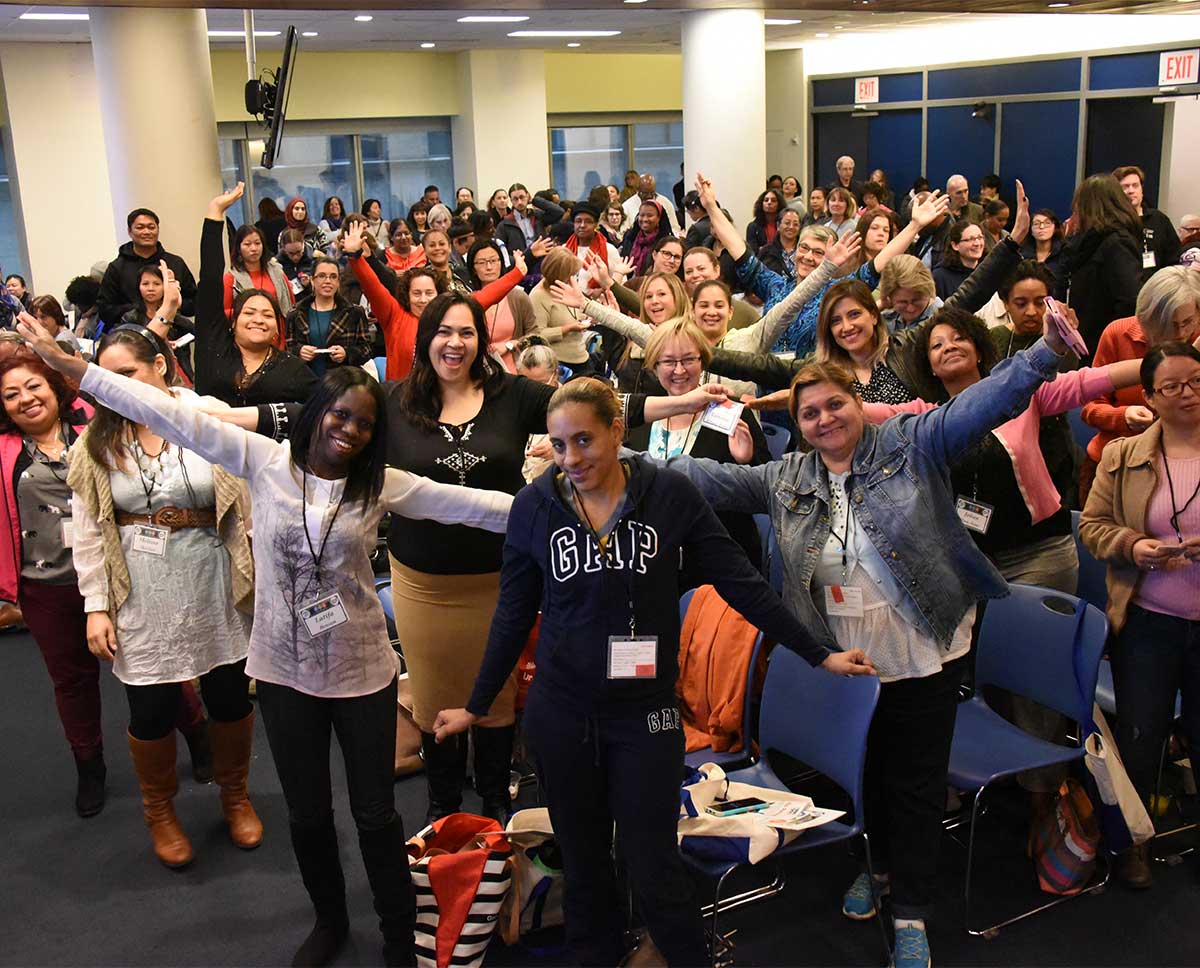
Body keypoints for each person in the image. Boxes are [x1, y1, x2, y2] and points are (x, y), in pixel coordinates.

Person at [17, 310, 515, 968]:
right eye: (339, 415)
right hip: (284, 672)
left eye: (365, 423)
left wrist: (569, 501)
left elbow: (474, 506)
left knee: (375, 815)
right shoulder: (263, 461)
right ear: (315, 415)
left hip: (361, 672)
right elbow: (166, 413)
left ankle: (399, 935)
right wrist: (75, 369)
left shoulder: (377, 485)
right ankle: (330, 921)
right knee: (308, 815)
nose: (349, 429)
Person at [663, 317, 1070, 968]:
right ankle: (876, 867)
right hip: (848, 661)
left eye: (835, 404)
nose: (824, 419)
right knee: (865, 775)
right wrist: (611, 457)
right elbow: (699, 478)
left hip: (925, 651)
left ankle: (910, 908)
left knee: (914, 785)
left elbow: (980, 405)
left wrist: (1044, 354)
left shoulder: (910, 443)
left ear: (859, 404)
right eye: (810, 413)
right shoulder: (788, 477)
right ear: (799, 426)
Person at [433, 376, 869, 968]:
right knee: (583, 861)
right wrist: (478, 702)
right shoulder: (536, 506)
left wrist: (817, 651)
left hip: (645, 714)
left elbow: (740, 582)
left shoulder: (669, 495)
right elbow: (512, 613)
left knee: (654, 860)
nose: (571, 459)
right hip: (562, 713)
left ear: (617, 432)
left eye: (584, 440)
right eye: (559, 445)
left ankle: (678, 954)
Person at [386, 294, 723, 824]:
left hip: (499, 577)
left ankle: (495, 802)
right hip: (424, 585)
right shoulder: (394, 401)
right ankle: (443, 807)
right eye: (444, 331)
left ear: (482, 341)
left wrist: (684, 402)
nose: (455, 343)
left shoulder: (510, 394)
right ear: (425, 337)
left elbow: (602, 409)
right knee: (432, 697)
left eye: (467, 332)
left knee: (499, 693)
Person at [67, 324, 261, 869]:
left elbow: (247, 501)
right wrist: (96, 606)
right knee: (150, 707)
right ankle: (159, 811)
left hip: (213, 575)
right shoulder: (96, 440)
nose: (116, 385)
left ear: (160, 365)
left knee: (229, 695)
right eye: (106, 377)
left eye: (126, 373)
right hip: (140, 584)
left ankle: (235, 796)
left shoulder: (207, 415)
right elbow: (89, 530)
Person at [1081, 340, 1200, 889]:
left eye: (1196, 381)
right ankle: (1133, 842)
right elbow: (1092, 526)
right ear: (1149, 396)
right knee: (1140, 735)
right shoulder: (1123, 455)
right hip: (1148, 619)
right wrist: (1132, 545)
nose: (1187, 394)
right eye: (1171, 386)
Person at [0, 341, 105, 815]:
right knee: (72, 681)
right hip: (45, 586)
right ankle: (90, 766)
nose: (25, 398)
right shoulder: (6, 451)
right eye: (11, 394)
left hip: (114, 574)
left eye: (33, 386)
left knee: (150, 668)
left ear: (53, 386)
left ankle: (196, 731)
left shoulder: (92, 427)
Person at [698, 170, 951, 355]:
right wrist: (711, 206)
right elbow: (739, 250)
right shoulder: (775, 285)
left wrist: (914, 226)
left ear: (833, 258)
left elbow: (876, 265)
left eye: (819, 253)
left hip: (811, 384)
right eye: (804, 248)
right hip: (766, 383)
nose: (808, 257)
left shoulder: (836, 292)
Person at [628, 318, 770, 565]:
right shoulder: (642, 419)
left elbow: (766, 491)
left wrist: (745, 461)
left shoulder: (732, 413)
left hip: (720, 559)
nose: (679, 370)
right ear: (654, 366)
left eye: (688, 360)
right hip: (653, 559)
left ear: (703, 361)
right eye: (669, 362)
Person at [346, 221, 525, 381]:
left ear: (438, 294)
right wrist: (355, 257)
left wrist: (518, 273)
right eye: (417, 293)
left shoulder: (450, 315)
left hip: (442, 399)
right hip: (401, 400)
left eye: (429, 293)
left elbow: (486, 296)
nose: (423, 299)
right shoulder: (394, 316)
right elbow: (373, 286)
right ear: (407, 295)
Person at [1080, 266, 1200, 503]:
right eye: (1168, 325)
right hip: (1116, 465)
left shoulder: (1196, 338)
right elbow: (1089, 408)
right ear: (1148, 318)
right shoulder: (1118, 334)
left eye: (1187, 322)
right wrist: (1123, 416)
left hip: (1184, 466)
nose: (1180, 333)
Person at [197, 186, 318, 406]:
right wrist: (216, 211)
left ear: (276, 326)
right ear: (234, 321)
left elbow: (322, 406)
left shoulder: (291, 368)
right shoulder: (215, 348)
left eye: (268, 315)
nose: (258, 319)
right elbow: (210, 281)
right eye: (249, 312)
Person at [1062, 173, 1145, 350]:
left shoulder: (1117, 242)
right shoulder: (1090, 242)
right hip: (1088, 338)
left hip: (1106, 343)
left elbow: (1129, 300)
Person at [98, 207, 197, 330]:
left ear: (158, 230)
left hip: (173, 331)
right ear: (130, 231)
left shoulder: (175, 263)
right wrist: (140, 308)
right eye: (140, 227)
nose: (146, 232)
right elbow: (105, 309)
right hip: (131, 333)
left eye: (151, 227)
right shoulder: (117, 267)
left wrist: (171, 304)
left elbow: (194, 302)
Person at [285, 257, 372, 379]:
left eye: (333, 277)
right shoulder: (295, 313)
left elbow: (366, 350)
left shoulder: (355, 312)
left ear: (338, 282)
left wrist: (347, 353)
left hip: (342, 382)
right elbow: (287, 349)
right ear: (312, 280)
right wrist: (298, 351)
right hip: (305, 381)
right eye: (321, 276)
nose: (328, 281)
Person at [469, 239, 535, 373]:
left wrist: (511, 344)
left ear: (501, 263)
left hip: (516, 370)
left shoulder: (518, 297)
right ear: (473, 268)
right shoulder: (470, 302)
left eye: (493, 261)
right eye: (482, 262)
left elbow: (535, 335)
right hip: (481, 371)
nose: (489, 267)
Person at [530, 249, 592, 379]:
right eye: (569, 275)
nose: (572, 279)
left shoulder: (569, 287)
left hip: (582, 357)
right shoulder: (538, 296)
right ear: (558, 274)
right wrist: (568, 329)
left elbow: (576, 313)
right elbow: (537, 335)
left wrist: (588, 317)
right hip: (559, 364)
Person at [223, 224, 293, 336]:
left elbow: (291, 303)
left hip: (281, 333)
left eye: (257, 243)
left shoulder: (277, 271)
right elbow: (224, 312)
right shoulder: (231, 278)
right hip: (249, 335)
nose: (254, 249)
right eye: (247, 244)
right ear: (239, 248)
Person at [1114, 164, 1183, 279]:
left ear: (1141, 189)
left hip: (1157, 284)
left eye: (1135, 185)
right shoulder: (1112, 222)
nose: (1131, 191)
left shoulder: (1159, 219)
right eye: (1125, 187)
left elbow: (1174, 257)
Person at [496, 184, 563, 267]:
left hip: (542, 262)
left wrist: (534, 200)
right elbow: (500, 252)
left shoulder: (538, 216)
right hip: (521, 264)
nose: (519, 202)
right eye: (515, 199)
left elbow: (559, 212)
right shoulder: (504, 224)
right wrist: (516, 262)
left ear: (527, 196)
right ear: (511, 201)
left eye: (522, 197)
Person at [620, 200, 673, 278]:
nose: (644, 219)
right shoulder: (630, 237)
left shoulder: (666, 242)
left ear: (659, 218)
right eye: (641, 215)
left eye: (649, 215)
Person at [933, 221, 986, 300]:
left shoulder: (989, 271)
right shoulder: (940, 277)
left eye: (980, 237)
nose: (977, 243)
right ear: (955, 245)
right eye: (971, 239)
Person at [1021, 209, 1067, 296]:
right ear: (1030, 230)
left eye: (1047, 223)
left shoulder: (1065, 253)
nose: (1042, 227)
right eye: (1036, 224)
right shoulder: (1022, 256)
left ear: (1055, 228)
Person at [563, 202, 619, 273]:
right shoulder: (564, 249)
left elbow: (619, 279)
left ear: (596, 224)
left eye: (588, 221)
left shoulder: (609, 250)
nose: (582, 225)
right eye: (578, 221)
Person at [758, 208, 802, 283]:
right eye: (787, 223)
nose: (791, 227)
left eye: (795, 224)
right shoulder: (766, 252)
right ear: (778, 225)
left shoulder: (805, 251)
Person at [853, 207, 898, 274]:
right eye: (874, 228)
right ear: (863, 231)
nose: (881, 233)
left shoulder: (896, 264)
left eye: (886, 230)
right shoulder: (848, 264)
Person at [277, 229, 316, 296]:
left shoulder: (314, 260)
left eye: (298, 252)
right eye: (291, 253)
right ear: (284, 249)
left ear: (303, 245)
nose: (295, 257)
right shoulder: (277, 265)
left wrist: (309, 285)